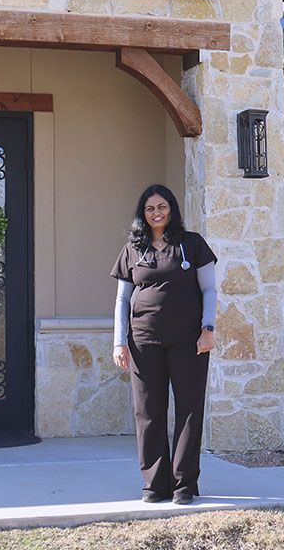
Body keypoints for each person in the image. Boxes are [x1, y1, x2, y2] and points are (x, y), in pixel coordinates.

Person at [111, 184, 218, 504]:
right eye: (149, 208)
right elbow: (122, 299)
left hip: (189, 341)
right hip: (143, 341)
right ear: (142, 214)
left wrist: (208, 328)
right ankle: (155, 484)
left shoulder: (192, 244)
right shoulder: (133, 249)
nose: (156, 213)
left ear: (171, 209)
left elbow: (210, 290)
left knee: (189, 410)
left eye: (162, 206)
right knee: (148, 412)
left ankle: (184, 484)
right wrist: (119, 342)